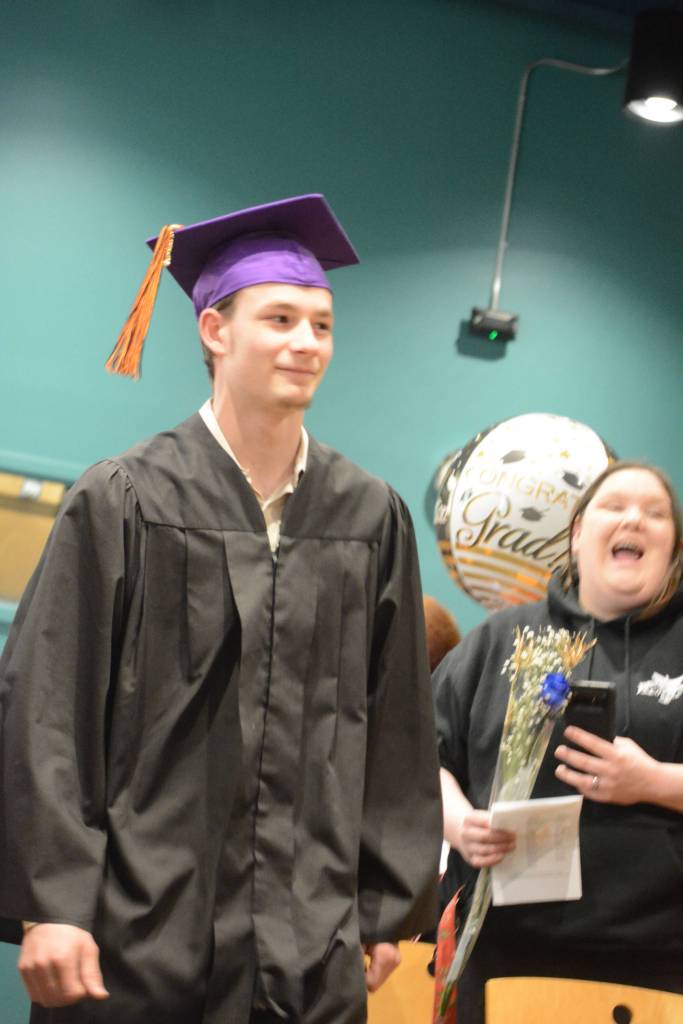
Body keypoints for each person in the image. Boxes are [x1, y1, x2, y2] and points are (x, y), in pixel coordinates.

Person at [0, 194, 443, 1024]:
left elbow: (397, 722)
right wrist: (52, 902)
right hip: (138, 927)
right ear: (214, 330)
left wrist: (388, 897)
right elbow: (47, 707)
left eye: (322, 325)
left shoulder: (367, 515)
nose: (306, 344)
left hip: (307, 934)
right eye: (281, 319)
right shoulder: (125, 498)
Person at [433, 460, 683, 1023]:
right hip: (504, 954)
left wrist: (654, 782)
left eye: (656, 513)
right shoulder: (500, 639)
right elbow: (423, 755)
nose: (635, 520)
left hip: (661, 965)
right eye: (615, 506)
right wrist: (458, 824)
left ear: (674, 546)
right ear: (576, 537)